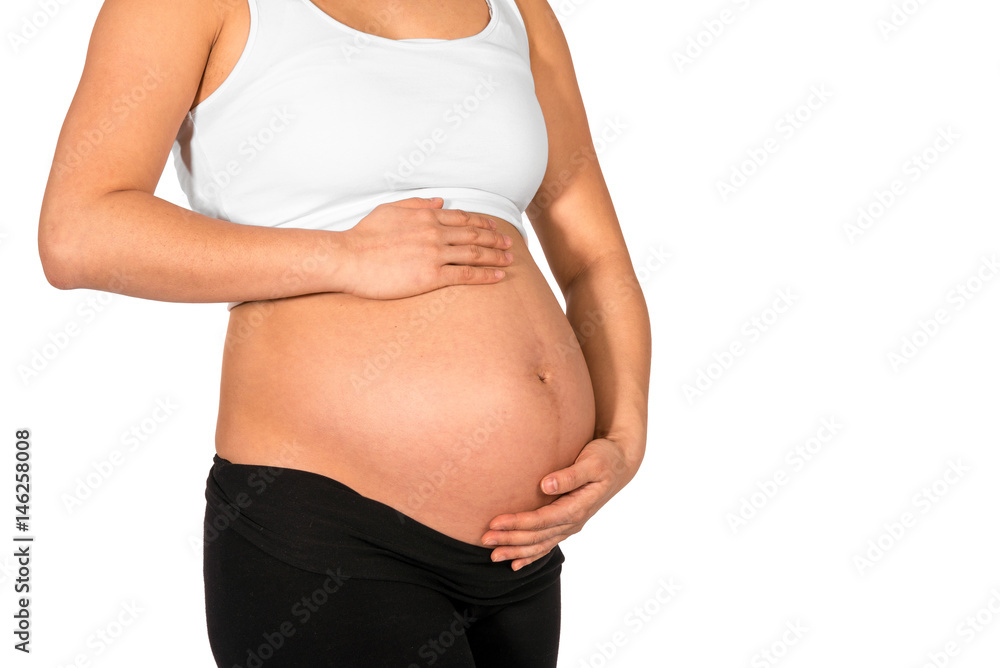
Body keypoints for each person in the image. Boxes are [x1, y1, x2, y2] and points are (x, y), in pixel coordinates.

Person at [37, 0, 651, 665]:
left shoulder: (517, 9)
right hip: (331, 535)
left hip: (521, 555)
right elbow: (79, 233)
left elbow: (594, 259)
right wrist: (342, 256)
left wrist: (625, 436)